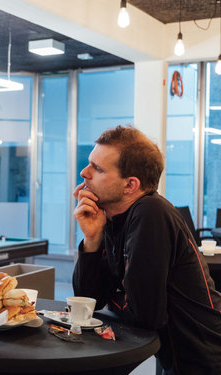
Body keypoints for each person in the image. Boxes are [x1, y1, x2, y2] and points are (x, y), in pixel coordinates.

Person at [72, 125, 221, 374]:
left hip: (203, 359)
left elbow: (146, 315)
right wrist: (92, 238)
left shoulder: (151, 212)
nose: (84, 172)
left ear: (130, 185)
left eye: (97, 168)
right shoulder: (115, 219)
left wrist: (116, 298)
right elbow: (90, 300)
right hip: (174, 356)